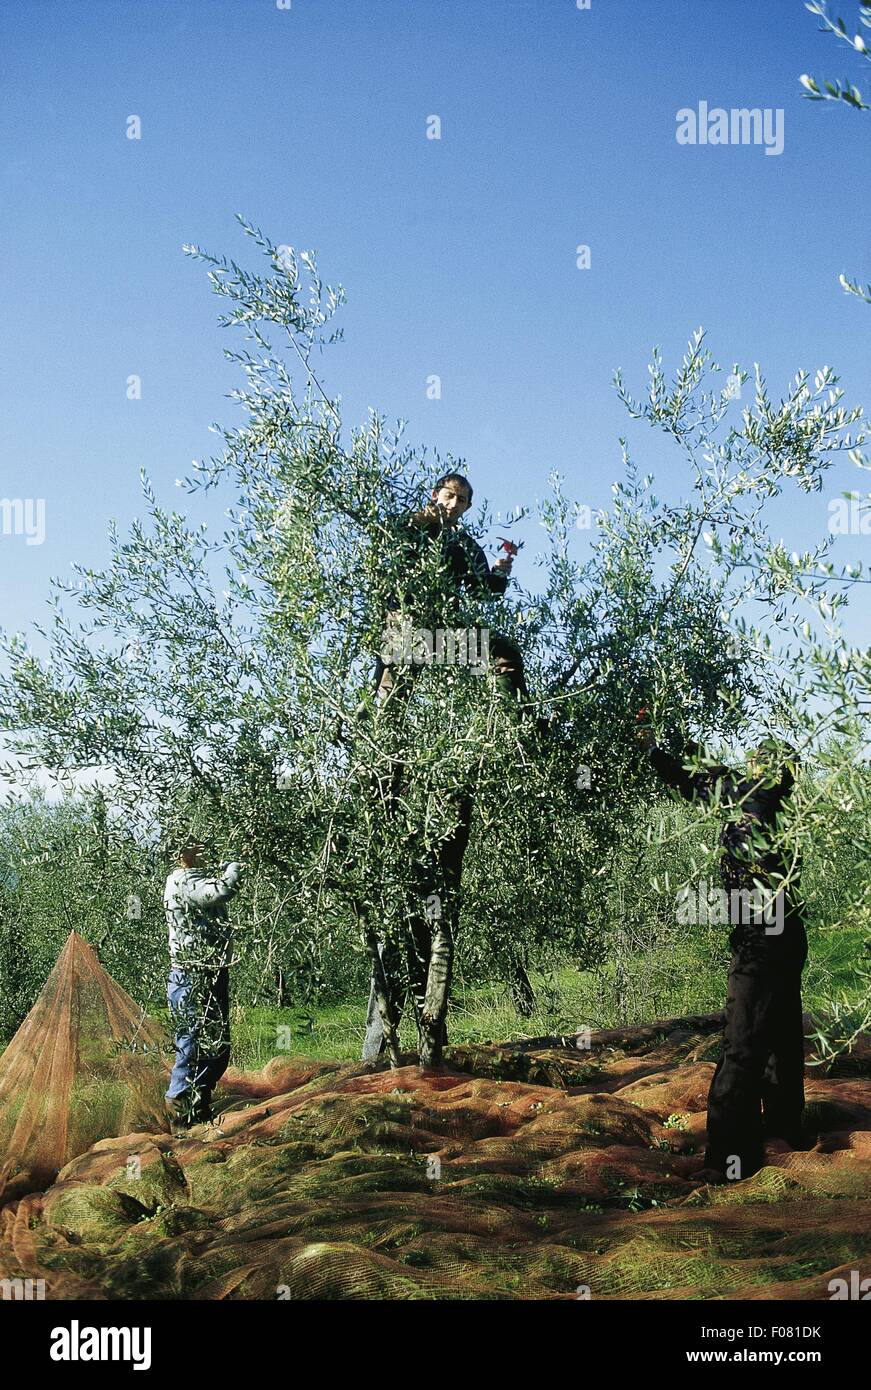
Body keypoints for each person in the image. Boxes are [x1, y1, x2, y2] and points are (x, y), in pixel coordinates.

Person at [636, 722, 807, 1182]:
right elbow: (707, 778)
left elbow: (700, 778)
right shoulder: (774, 802)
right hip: (786, 935)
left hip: (762, 941)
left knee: (743, 1044)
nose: (745, 762)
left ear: (764, 769)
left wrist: (659, 746)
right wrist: (672, 744)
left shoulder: (753, 797)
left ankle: (731, 1160)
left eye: (753, 758)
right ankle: (790, 1133)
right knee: (781, 1037)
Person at [163, 841, 242, 1132]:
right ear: (184, 854)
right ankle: (181, 1117)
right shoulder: (185, 881)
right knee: (194, 1042)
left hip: (204, 972)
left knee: (213, 1042)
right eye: (198, 848)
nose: (206, 852)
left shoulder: (187, 879)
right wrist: (237, 864)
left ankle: (197, 1106)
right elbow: (220, 890)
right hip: (194, 975)